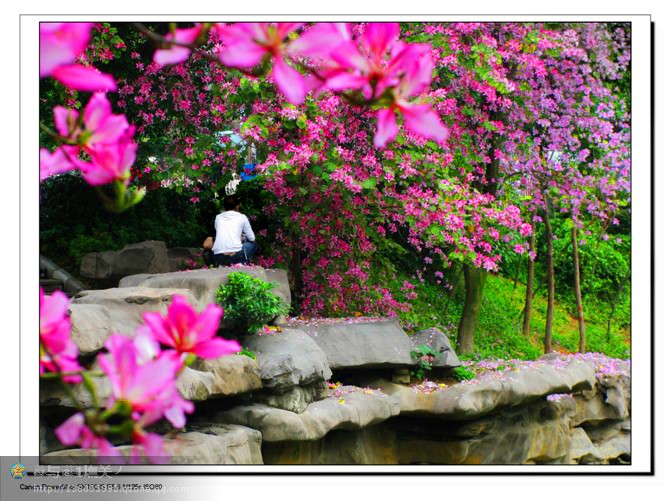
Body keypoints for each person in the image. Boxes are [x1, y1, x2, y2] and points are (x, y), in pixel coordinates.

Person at [209, 195, 258, 267]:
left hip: (218, 257)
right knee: (254, 245)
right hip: (234, 256)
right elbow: (252, 238)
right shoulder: (242, 217)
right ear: (237, 206)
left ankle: (223, 265)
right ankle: (240, 264)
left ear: (224, 207)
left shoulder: (218, 217)